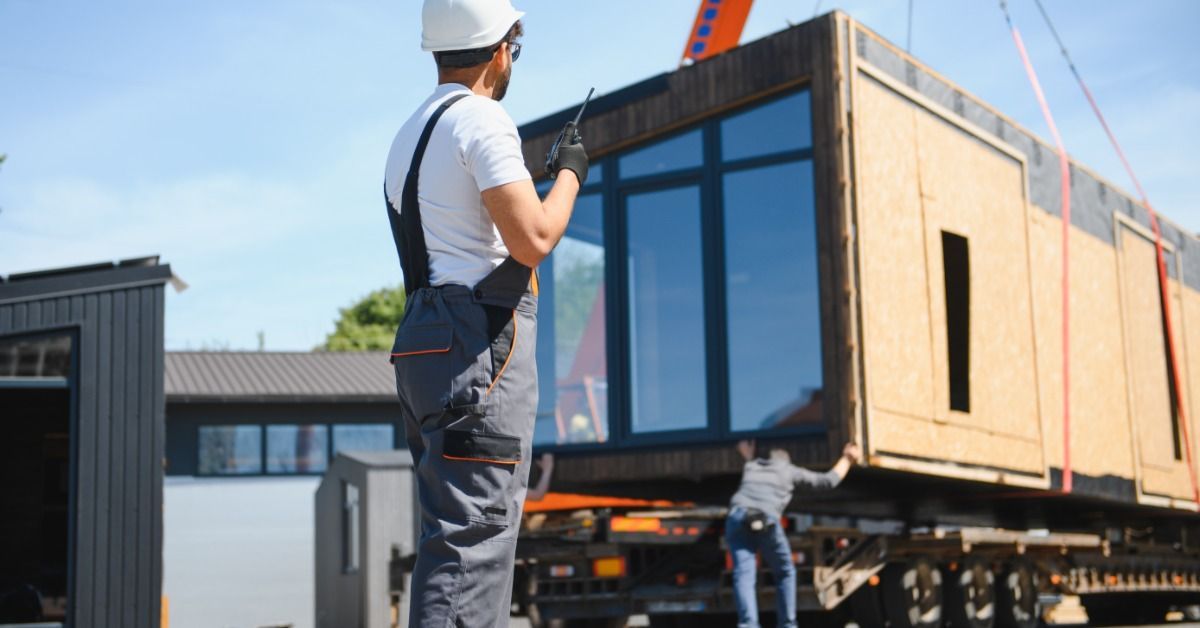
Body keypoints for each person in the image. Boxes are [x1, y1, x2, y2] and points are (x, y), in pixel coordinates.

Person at [383, 0, 588, 626]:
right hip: (478, 347)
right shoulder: (483, 121)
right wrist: (571, 173)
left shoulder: (407, 134)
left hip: (425, 341)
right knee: (476, 540)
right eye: (514, 50)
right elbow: (533, 240)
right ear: (501, 49)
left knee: (453, 538)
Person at [726, 440, 861, 628]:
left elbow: (749, 458)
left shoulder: (753, 466)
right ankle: (787, 625)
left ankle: (748, 625)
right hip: (765, 518)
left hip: (738, 516)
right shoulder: (789, 471)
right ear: (786, 461)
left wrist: (747, 452)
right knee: (785, 572)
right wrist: (847, 458)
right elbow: (827, 480)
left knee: (744, 574)